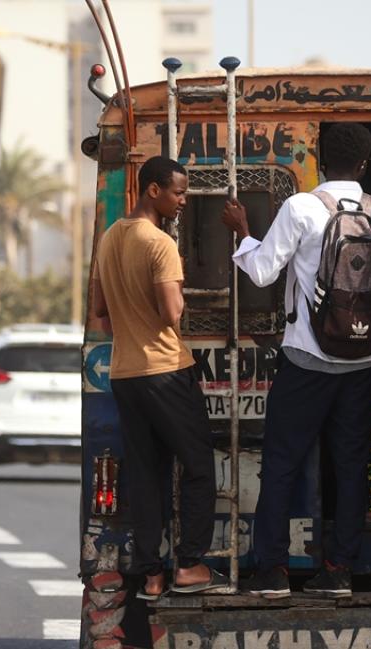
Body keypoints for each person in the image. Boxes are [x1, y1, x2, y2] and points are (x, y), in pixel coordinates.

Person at [219, 122, 371, 598]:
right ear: (364, 164)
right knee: (351, 465)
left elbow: (260, 272)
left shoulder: (299, 207)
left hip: (307, 358)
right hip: (363, 360)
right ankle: (338, 570)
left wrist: (242, 233)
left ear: (316, 158)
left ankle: (273, 571)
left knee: (281, 463)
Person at [92, 156, 228, 599]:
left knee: (146, 475)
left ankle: (151, 575)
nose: (183, 200)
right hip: (166, 370)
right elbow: (172, 314)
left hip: (124, 373)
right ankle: (189, 565)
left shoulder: (110, 237)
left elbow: (99, 310)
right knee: (198, 467)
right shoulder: (160, 243)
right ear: (153, 190)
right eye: (179, 192)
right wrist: (178, 286)